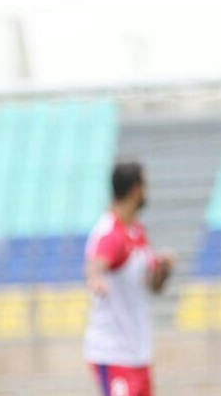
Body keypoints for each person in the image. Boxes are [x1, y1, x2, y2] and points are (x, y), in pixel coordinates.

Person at [84, 161, 173, 396]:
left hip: (138, 352)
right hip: (113, 353)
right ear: (136, 190)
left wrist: (163, 270)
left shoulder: (137, 231)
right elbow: (96, 264)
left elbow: (154, 286)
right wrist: (95, 279)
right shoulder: (111, 232)